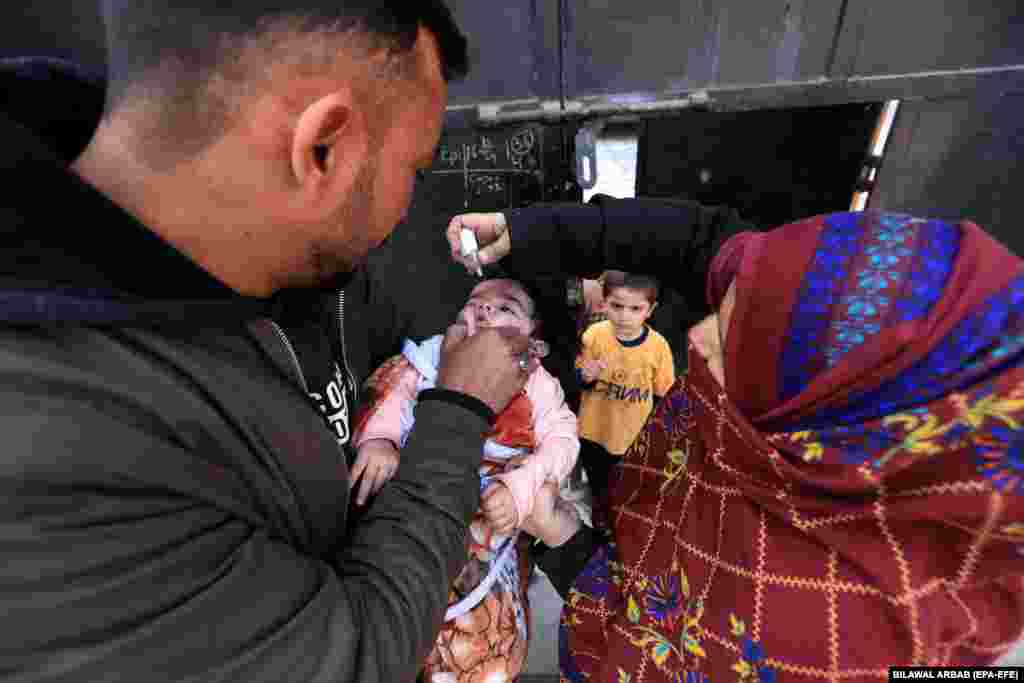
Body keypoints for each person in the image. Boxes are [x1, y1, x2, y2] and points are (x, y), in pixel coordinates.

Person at [0, 4, 544, 682]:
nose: (410, 205)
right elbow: (360, 649)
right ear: (322, 150)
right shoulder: (58, 463)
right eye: (416, 169)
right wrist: (459, 409)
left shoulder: (219, 274)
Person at [451, 207, 1024, 680]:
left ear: (822, 432)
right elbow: (712, 246)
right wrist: (531, 232)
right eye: (727, 303)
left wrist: (564, 543)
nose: (695, 341)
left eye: (730, 347)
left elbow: (635, 654)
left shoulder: (817, 644)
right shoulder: (876, 355)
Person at [351, 277, 579, 681]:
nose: (487, 310)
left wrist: (521, 488)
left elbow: (561, 444)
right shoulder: (425, 359)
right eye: (476, 303)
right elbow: (392, 394)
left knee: (486, 645)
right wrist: (381, 440)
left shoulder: (540, 383)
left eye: (506, 308)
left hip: (492, 520)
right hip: (413, 507)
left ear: (535, 342)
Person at [577, 270, 675, 513]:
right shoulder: (594, 336)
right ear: (603, 303)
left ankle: (622, 516)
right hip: (593, 430)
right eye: (617, 305)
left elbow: (663, 394)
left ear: (650, 310)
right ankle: (599, 517)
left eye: (635, 309)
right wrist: (586, 377)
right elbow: (579, 377)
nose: (624, 316)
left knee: (626, 484)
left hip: (632, 434)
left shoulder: (658, 346)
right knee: (597, 483)